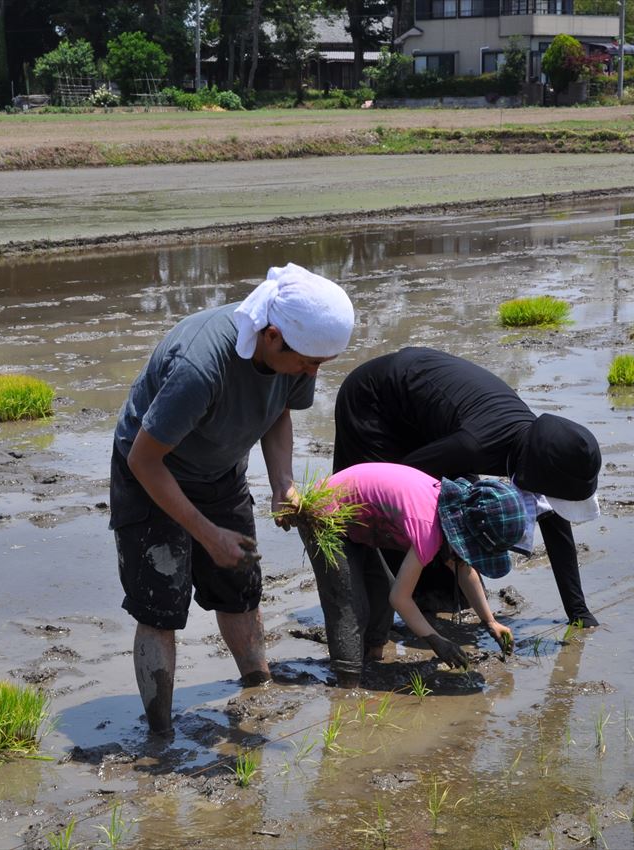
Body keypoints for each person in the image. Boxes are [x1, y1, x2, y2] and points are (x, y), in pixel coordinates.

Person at [110, 263, 354, 735]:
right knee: (160, 605)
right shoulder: (200, 366)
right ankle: (159, 731)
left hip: (221, 469)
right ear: (271, 335)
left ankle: (257, 687)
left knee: (242, 586)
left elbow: (280, 411)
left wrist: (283, 482)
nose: (312, 372)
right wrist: (206, 532)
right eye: (308, 362)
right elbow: (145, 461)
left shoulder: (300, 351)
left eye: (319, 365)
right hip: (153, 472)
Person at [332, 347, 602, 631]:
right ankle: (368, 619)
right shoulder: (476, 445)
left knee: (454, 591)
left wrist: (578, 611)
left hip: (425, 417)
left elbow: (554, 522)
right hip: (373, 400)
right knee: (379, 521)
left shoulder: (539, 448)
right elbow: (400, 482)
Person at [294, 463, 527, 688]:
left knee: (382, 589)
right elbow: (401, 599)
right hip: (325, 514)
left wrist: (490, 621)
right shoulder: (428, 528)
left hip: (358, 519)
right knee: (350, 605)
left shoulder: (454, 510)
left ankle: (371, 661)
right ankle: (348, 685)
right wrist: (435, 639)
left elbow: (464, 570)